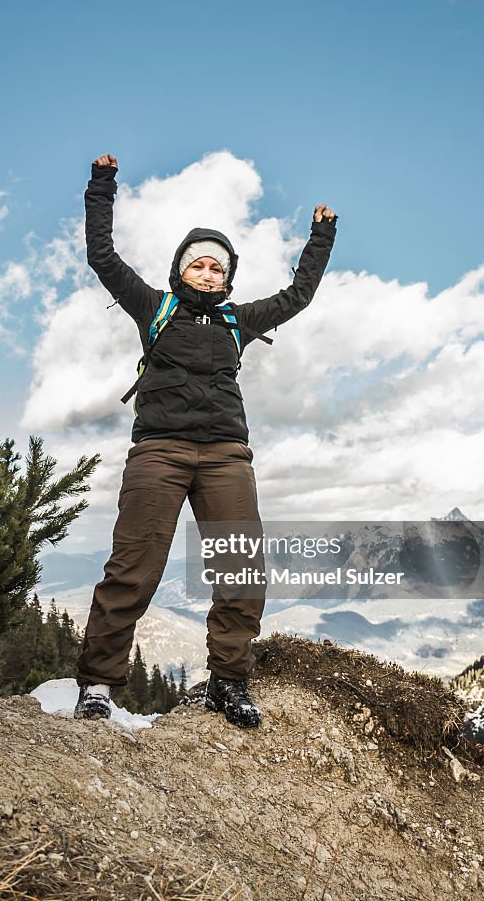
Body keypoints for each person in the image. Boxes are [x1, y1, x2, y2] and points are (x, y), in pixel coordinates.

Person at [74, 153, 337, 728]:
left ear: (228, 279)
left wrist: (321, 237)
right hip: (159, 451)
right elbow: (102, 257)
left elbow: (297, 296)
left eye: (218, 269)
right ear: (180, 271)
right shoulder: (154, 308)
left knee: (241, 571)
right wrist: (102, 186)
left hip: (225, 457)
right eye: (199, 266)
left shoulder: (238, 321)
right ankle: (97, 685)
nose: (209, 275)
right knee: (134, 568)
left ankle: (227, 682)